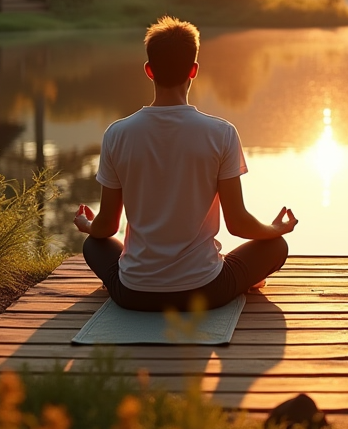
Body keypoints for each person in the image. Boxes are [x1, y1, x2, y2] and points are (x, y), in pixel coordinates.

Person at [75, 16, 297, 311]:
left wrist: (86, 224)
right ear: (194, 70)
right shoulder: (221, 133)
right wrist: (275, 229)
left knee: (94, 244)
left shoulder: (117, 134)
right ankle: (243, 278)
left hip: (133, 294)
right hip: (205, 292)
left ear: (149, 70)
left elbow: (106, 227)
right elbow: (238, 224)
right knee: (276, 247)